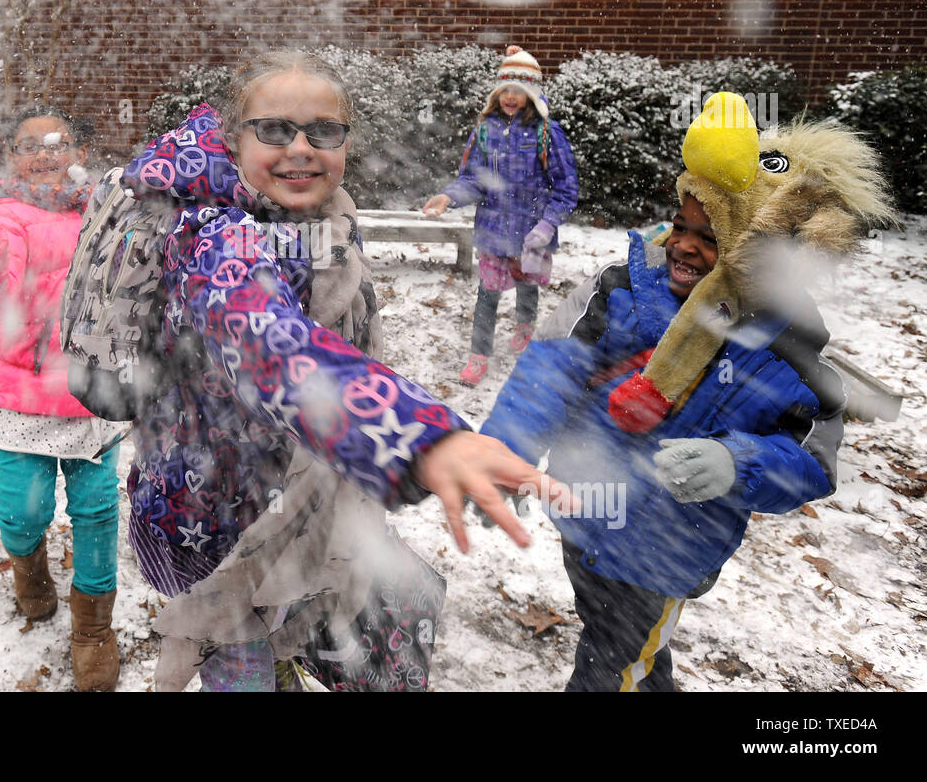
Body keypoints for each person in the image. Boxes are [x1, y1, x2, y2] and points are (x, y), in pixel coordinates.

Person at [120, 50, 569, 691]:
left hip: (296, 501)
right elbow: (268, 341)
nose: (300, 148)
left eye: (323, 132)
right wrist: (417, 437)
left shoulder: (329, 220)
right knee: (240, 663)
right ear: (232, 139)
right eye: (274, 129)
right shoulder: (212, 234)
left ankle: (279, 659)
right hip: (212, 523)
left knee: (302, 635)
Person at [479, 94, 892, 691]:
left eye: (713, 235)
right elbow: (552, 368)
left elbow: (813, 459)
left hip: (668, 552)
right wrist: (505, 450)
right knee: (628, 651)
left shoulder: (788, 344)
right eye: (681, 225)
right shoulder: (623, 289)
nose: (684, 245)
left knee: (609, 669)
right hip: (582, 514)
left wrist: (738, 462)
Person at [0, 108, 121, 692]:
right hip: (22, 392)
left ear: (80, 151)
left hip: (95, 387)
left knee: (96, 511)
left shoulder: (109, 209)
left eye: (58, 142)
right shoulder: (6, 216)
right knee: (24, 510)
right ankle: (30, 571)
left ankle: (93, 628)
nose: (45, 153)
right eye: (29, 145)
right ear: (10, 158)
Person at [423, 46, 578, 386]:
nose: (510, 97)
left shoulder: (548, 134)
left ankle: (525, 330)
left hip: (531, 234)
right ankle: (479, 356)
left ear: (532, 94)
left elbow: (566, 189)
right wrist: (448, 197)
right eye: (504, 90)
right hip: (494, 231)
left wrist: (548, 223)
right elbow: (474, 180)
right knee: (487, 296)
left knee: (526, 287)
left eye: (519, 91)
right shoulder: (485, 131)